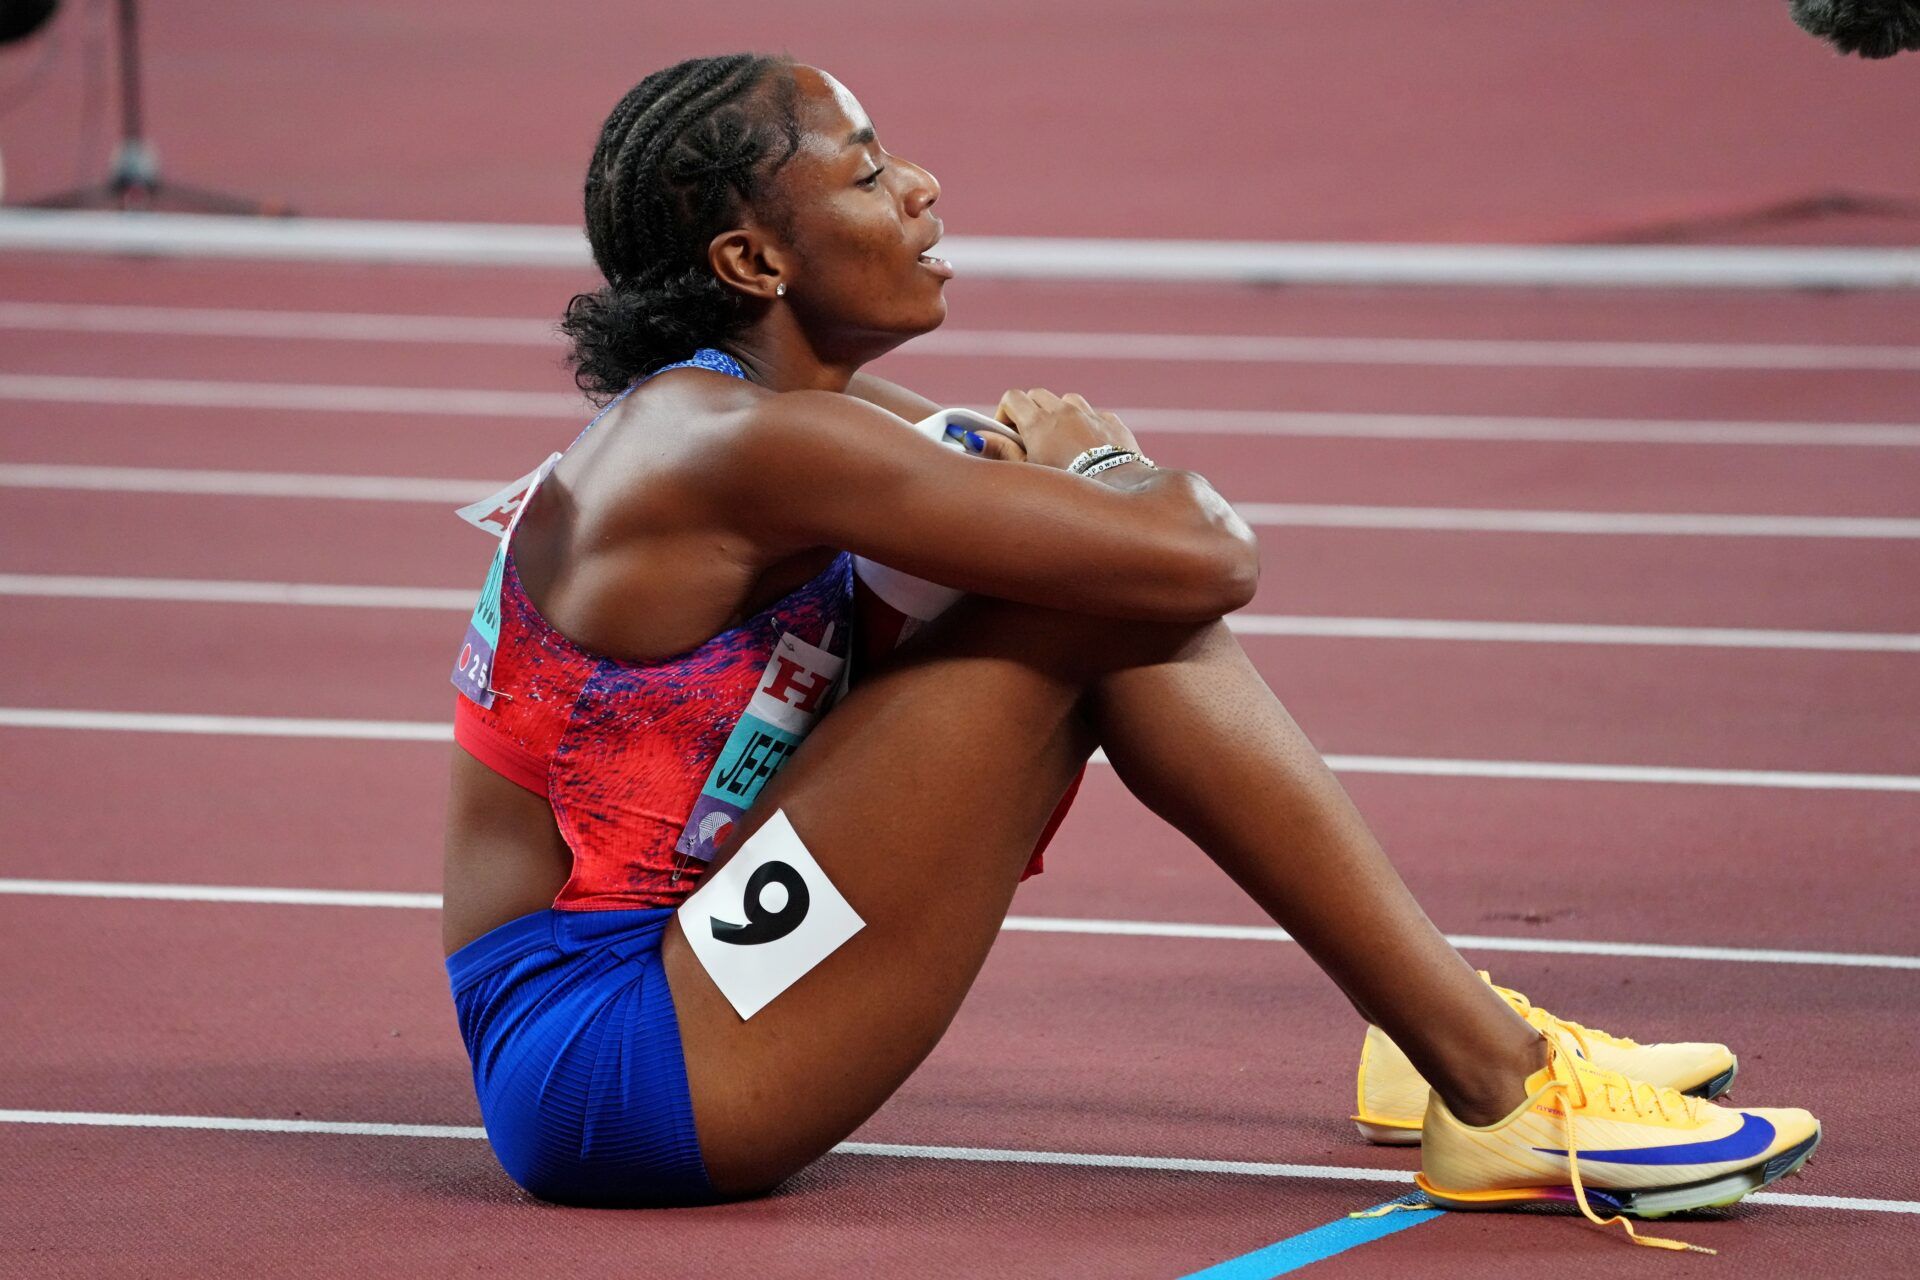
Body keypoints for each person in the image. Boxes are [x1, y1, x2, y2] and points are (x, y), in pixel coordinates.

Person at [440, 53, 1817, 1250]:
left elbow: (1134, 544)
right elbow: (1205, 555)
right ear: (754, 262)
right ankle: (1492, 1083)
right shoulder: (730, 442)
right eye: (864, 176)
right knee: (1098, 605)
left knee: (1083, 594)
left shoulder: (786, 428)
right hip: (610, 1059)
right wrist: (1104, 464)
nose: (918, 186)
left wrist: (1092, 501)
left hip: (657, 987)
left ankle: (1446, 1040)